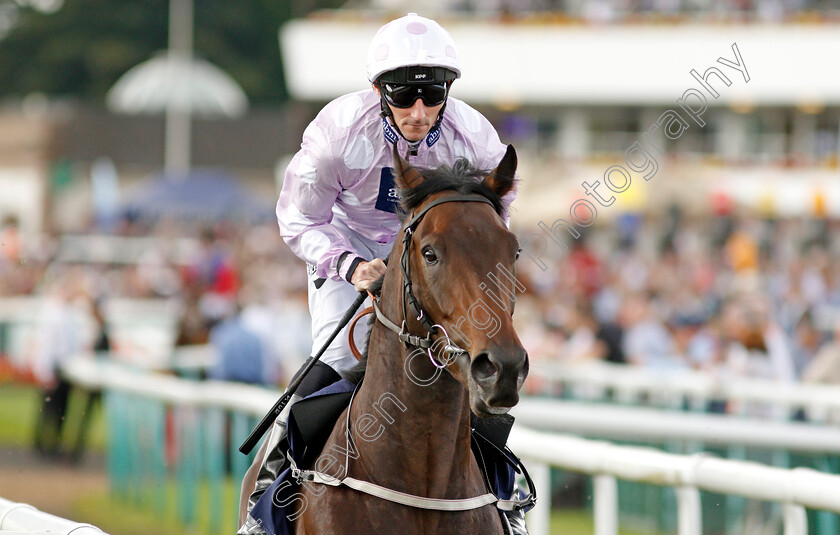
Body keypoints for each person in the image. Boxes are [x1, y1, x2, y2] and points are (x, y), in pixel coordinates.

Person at [239, 13, 528, 535]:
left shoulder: (477, 137)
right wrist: (350, 266)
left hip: (436, 257)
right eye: (403, 95)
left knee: (470, 366)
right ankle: (271, 493)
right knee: (335, 360)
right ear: (377, 90)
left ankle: (505, 502)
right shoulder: (335, 133)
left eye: (433, 94)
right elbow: (298, 217)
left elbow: (493, 219)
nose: (418, 112)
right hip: (351, 253)